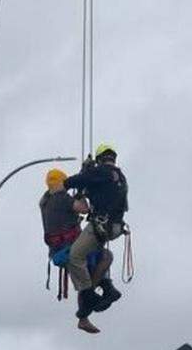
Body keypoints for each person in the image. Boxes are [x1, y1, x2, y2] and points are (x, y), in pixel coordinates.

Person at [63, 143, 128, 331]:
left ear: (100, 159)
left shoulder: (101, 172)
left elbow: (75, 181)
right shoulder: (120, 177)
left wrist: (65, 184)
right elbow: (97, 191)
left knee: (75, 256)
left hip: (101, 225)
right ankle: (108, 288)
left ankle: (88, 295)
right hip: (114, 227)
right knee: (98, 257)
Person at [39, 169, 113, 333]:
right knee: (105, 257)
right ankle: (86, 308)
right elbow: (84, 209)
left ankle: (88, 307)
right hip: (70, 249)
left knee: (84, 274)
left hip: (57, 251)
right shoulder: (62, 198)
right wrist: (82, 194)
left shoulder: (45, 201)